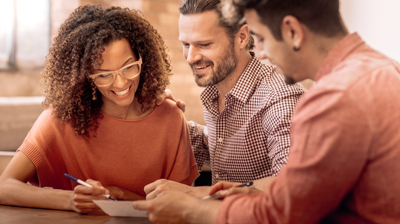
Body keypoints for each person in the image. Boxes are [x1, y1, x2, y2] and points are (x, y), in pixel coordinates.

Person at [132, 0, 400, 223]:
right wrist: (168, 119)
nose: (259, 53)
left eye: (260, 38)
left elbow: (286, 210)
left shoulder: (335, 96)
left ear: (292, 31)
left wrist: (190, 206)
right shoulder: (381, 69)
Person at [0, 5, 198, 214]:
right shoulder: (60, 120)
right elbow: (4, 186)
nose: (121, 83)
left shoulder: (171, 118)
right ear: (86, 76)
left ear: (144, 60)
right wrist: (69, 200)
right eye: (104, 75)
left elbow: (183, 208)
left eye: (129, 67)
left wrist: (119, 195)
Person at [144, 0, 306, 200]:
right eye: (186, 44)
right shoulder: (215, 89)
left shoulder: (279, 96)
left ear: (242, 37)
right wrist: (164, 116)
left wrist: (194, 193)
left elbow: (292, 184)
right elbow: (219, 144)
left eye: (204, 44)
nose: (190, 57)